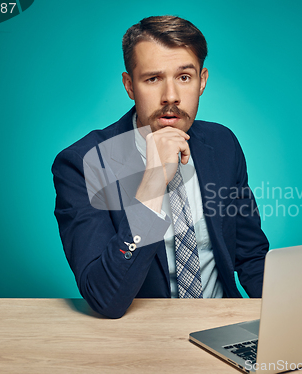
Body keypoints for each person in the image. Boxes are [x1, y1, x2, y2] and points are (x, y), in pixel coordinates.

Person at [52, 15, 269, 319]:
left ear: (202, 81)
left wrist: (292, 319)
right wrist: (153, 184)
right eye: (153, 79)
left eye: (184, 77)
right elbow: (105, 298)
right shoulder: (82, 164)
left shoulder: (223, 144)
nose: (171, 97)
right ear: (130, 85)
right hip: (142, 338)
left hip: (222, 325)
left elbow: (251, 256)